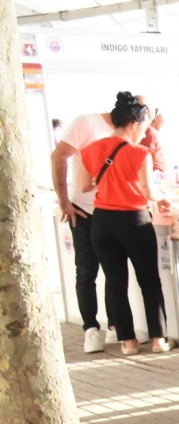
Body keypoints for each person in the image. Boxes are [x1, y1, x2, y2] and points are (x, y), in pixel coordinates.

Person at [76, 92, 170, 355]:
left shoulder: (91, 149)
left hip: (103, 223)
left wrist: (109, 181)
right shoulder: (141, 153)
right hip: (134, 221)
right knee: (149, 281)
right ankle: (158, 340)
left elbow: (83, 185)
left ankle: (128, 343)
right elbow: (149, 192)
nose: (145, 132)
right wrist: (163, 197)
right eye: (144, 127)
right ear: (134, 124)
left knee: (115, 283)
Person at [51, 102, 117, 353]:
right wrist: (64, 200)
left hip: (112, 209)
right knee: (87, 271)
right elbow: (59, 156)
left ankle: (114, 326)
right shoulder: (87, 123)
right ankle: (91, 329)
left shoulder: (128, 133)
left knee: (115, 271)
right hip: (85, 210)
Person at [139, 103, 168, 183]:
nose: (163, 122)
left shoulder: (151, 131)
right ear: (155, 118)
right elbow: (148, 154)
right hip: (156, 176)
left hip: (157, 175)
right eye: (161, 118)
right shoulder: (150, 131)